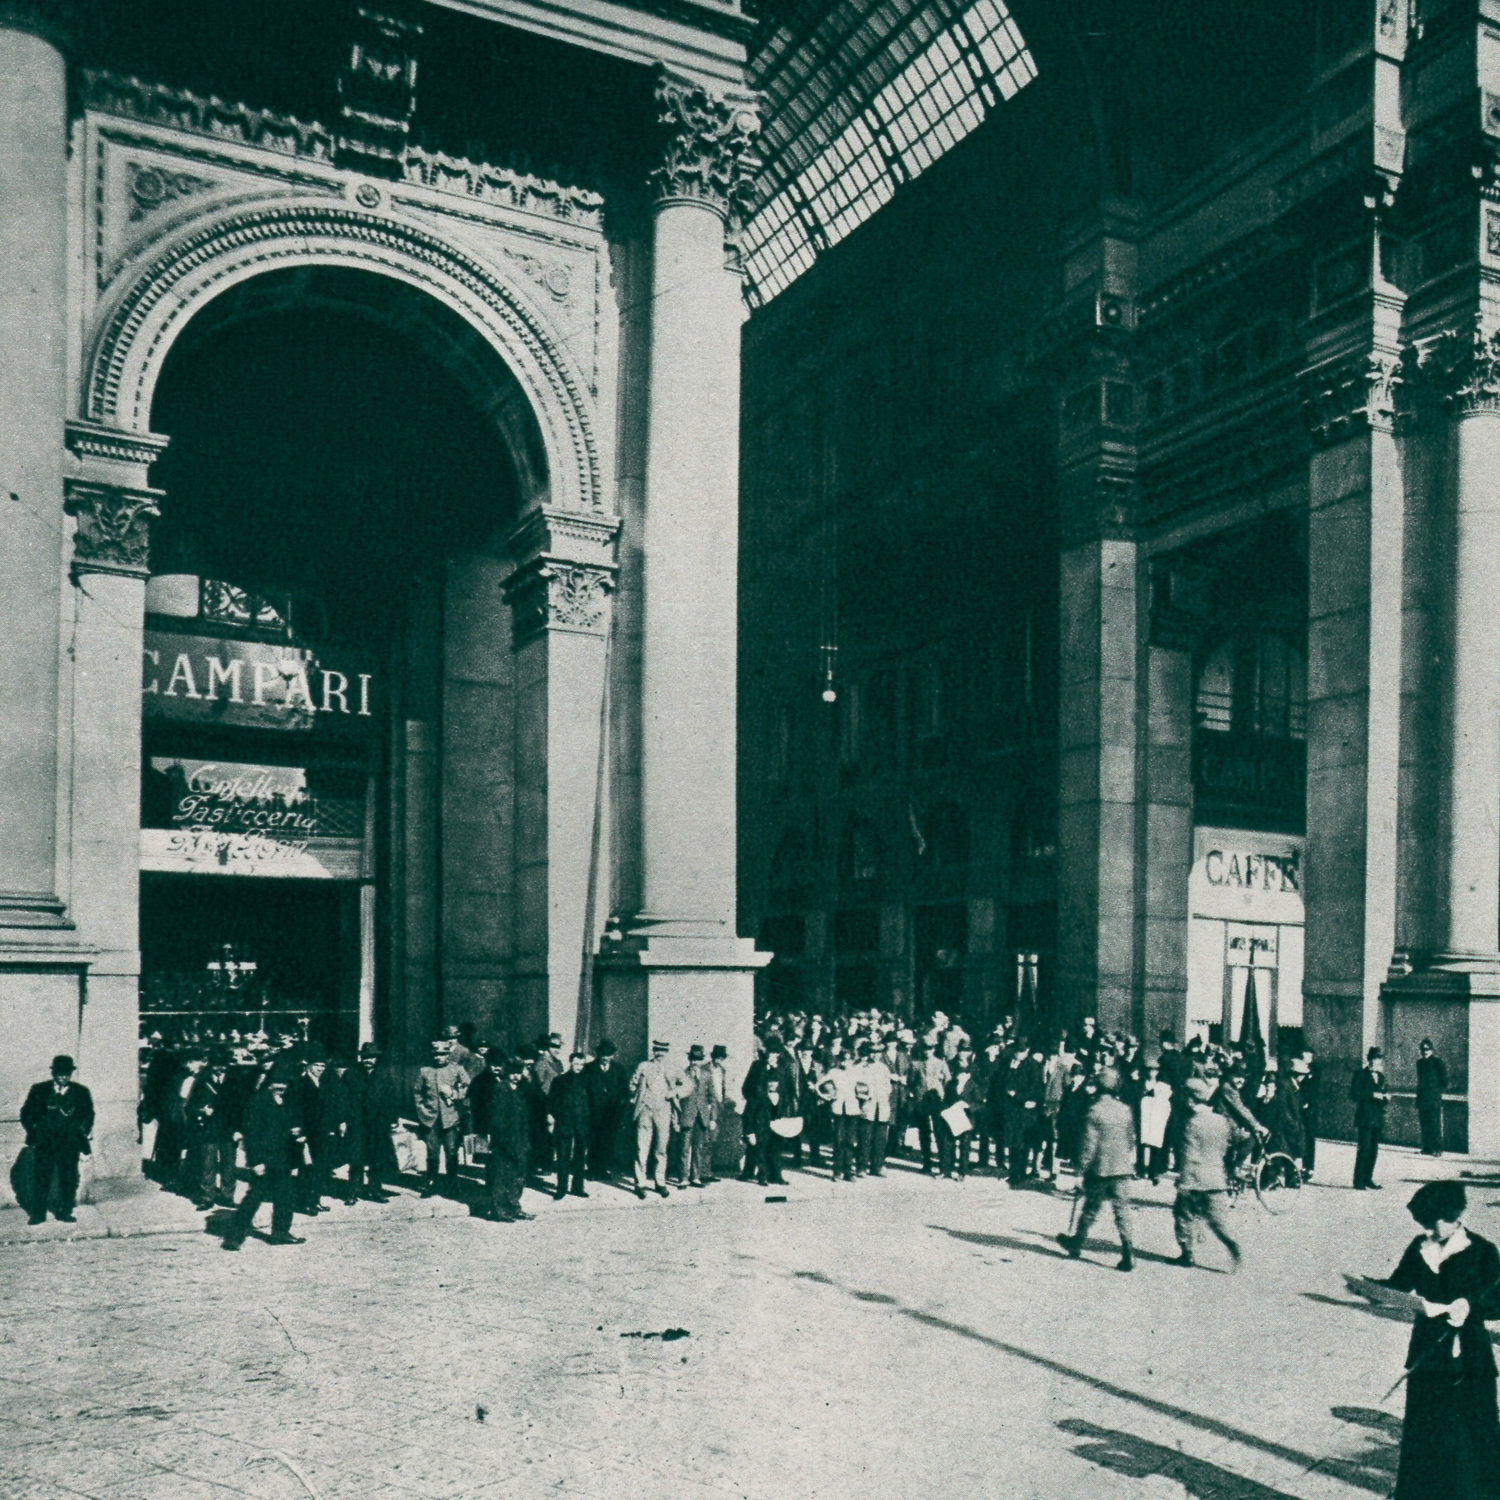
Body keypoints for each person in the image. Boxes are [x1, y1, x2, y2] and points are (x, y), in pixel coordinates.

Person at [1375, 1180, 1500, 1498]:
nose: (1431, 1231)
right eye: (1425, 1225)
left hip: (1471, 1357)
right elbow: (1399, 1285)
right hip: (1428, 1356)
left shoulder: (1484, 1251)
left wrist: (1471, 1306)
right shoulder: (1420, 1247)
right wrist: (1372, 1290)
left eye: (1435, 1224)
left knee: (1471, 1434)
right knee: (1425, 1433)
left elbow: (1498, 1300)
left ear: (1453, 1217)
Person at [1059, 1067, 1137, 1271]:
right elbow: (1130, 1140)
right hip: (1121, 1168)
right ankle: (1128, 1251)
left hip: (1100, 1169)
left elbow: (1089, 1145)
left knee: (1090, 1209)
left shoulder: (1094, 1110)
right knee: (1122, 1212)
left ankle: (1076, 1243)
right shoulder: (1125, 1109)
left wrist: (1080, 1170)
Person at [223, 1074, 304, 1249]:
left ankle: (280, 1233)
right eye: (277, 1083)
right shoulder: (257, 1102)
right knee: (254, 1197)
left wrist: (297, 1133)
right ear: (269, 1084)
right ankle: (235, 1236)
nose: (281, 1087)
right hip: (264, 1159)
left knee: (285, 1197)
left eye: (285, 1083)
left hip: (284, 1158)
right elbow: (251, 1133)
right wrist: (256, 1161)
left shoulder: (288, 1101)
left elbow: (294, 1124)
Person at [1173, 1076, 1240, 1270]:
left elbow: (1189, 1155)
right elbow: (1230, 1144)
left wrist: (1183, 1183)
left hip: (1194, 1179)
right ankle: (1231, 1244)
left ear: (1190, 1099)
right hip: (1217, 1179)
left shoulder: (1192, 1123)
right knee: (1218, 1222)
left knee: (1182, 1215)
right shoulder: (1221, 1121)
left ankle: (1187, 1254)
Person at [20, 1056, 94, 1224]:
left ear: (70, 1074)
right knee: (41, 1177)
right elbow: (26, 1113)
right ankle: (38, 1213)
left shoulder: (81, 1091)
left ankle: (64, 1211)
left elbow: (88, 1114)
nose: (63, 1077)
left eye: (66, 1074)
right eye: (60, 1074)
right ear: (53, 1073)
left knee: (69, 1178)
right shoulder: (39, 1090)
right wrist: (35, 1130)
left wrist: (82, 1130)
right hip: (45, 1143)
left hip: (69, 1143)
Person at [472, 1055, 534, 1222]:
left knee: (519, 1175)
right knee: (502, 1175)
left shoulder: (522, 1089)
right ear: (507, 1073)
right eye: (513, 1073)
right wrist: (501, 1139)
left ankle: (514, 1206)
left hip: (521, 1139)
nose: (516, 1076)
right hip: (504, 1140)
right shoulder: (500, 1089)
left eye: (519, 1073)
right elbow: (496, 1118)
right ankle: (500, 1211)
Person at [630, 1039, 683, 1200]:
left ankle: (660, 1183)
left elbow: (688, 1085)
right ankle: (640, 1184)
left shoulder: (673, 1068)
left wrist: (674, 1093)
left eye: (663, 1050)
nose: (660, 1053)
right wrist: (637, 1095)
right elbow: (632, 1084)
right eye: (657, 1050)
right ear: (653, 1051)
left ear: (667, 1052)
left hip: (664, 1111)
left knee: (661, 1150)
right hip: (645, 1111)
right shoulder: (644, 1066)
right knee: (642, 1148)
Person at [414, 1037, 466, 1198]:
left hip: (451, 1119)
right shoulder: (425, 1071)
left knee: (451, 1152)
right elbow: (417, 1093)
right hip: (430, 1120)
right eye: (436, 1054)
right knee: (432, 1153)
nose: (439, 1057)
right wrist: (423, 1112)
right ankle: (431, 1182)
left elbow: (467, 1087)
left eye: (442, 1054)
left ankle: (452, 1184)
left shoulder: (457, 1069)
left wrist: (455, 1094)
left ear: (448, 1055)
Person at [184, 1051, 233, 1209]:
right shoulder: (201, 1082)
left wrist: (239, 1130)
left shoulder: (235, 1081)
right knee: (208, 1165)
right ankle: (207, 1197)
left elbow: (241, 1108)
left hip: (229, 1130)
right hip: (209, 1130)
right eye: (216, 1066)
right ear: (211, 1066)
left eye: (223, 1066)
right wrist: (201, 1110)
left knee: (228, 1166)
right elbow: (190, 1106)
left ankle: (227, 1196)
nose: (220, 1069)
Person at [548, 1052, 592, 1199]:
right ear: (570, 1063)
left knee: (580, 1156)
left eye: (581, 1064)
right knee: (563, 1155)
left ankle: (577, 1187)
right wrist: (554, 1117)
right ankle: (561, 1188)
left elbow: (592, 1102)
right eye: (576, 1064)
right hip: (564, 1123)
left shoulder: (587, 1080)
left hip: (582, 1123)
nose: (579, 1067)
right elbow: (552, 1101)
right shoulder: (559, 1081)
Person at [584, 1040, 628, 1181]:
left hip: (611, 1114)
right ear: (598, 1054)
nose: (605, 1057)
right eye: (603, 1054)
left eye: (608, 1054)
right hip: (593, 1113)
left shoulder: (619, 1070)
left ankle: (603, 1169)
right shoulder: (589, 1068)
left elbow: (624, 1091)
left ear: (613, 1055)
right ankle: (592, 1170)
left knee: (607, 1141)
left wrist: (619, 1107)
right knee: (593, 1140)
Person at [675, 1045, 717, 1189]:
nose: (695, 1062)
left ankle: (696, 1177)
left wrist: (713, 1118)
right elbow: (677, 1096)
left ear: (701, 1060)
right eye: (693, 1059)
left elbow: (713, 1097)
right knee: (684, 1148)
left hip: (702, 1117)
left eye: (698, 1060)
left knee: (699, 1148)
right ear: (689, 1059)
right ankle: (683, 1178)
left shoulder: (707, 1075)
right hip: (687, 1115)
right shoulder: (682, 1074)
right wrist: (677, 1116)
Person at [1352, 1045, 1389, 1190]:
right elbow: (1354, 1094)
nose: (1376, 1062)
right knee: (1364, 1149)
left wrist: (1386, 1097)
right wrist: (1371, 1095)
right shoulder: (1360, 1075)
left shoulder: (1381, 1077)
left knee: (1373, 1150)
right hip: (1365, 1117)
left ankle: (1368, 1178)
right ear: (1369, 1060)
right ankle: (1358, 1180)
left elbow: (1384, 1093)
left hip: (1377, 1118)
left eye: (1378, 1059)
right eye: (1373, 1059)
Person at [1138, 1060, 1171, 1183]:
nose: (1152, 1072)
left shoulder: (1162, 1085)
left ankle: (1153, 1171)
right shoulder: (1141, 1083)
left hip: (1156, 1117)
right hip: (1144, 1117)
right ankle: (1140, 1169)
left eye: (1155, 1070)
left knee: (1155, 1144)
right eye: (1150, 1070)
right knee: (1141, 1143)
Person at [1416, 1039, 1448, 1157]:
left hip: (1433, 1098)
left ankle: (1437, 1148)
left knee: (1434, 1124)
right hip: (1422, 1098)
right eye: (1422, 1049)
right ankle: (1427, 1147)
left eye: (1427, 1049)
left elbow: (1444, 1081)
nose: (1425, 1052)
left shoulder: (1437, 1062)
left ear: (1432, 1050)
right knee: (1424, 1124)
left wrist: (1435, 1092)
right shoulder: (1419, 1063)